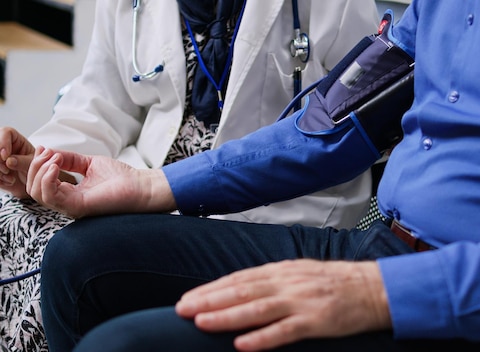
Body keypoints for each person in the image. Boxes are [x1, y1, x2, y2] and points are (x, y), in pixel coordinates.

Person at [28, 0, 480, 351]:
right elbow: (329, 124)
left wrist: (379, 293)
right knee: (81, 261)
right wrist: (155, 187)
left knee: (124, 348)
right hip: (380, 245)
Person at [0, 0, 380, 349]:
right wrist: (43, 162)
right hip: (144, 179)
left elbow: (353, 118)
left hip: (269, 208)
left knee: (69, 252)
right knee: (11, 219)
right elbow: (101, 100)